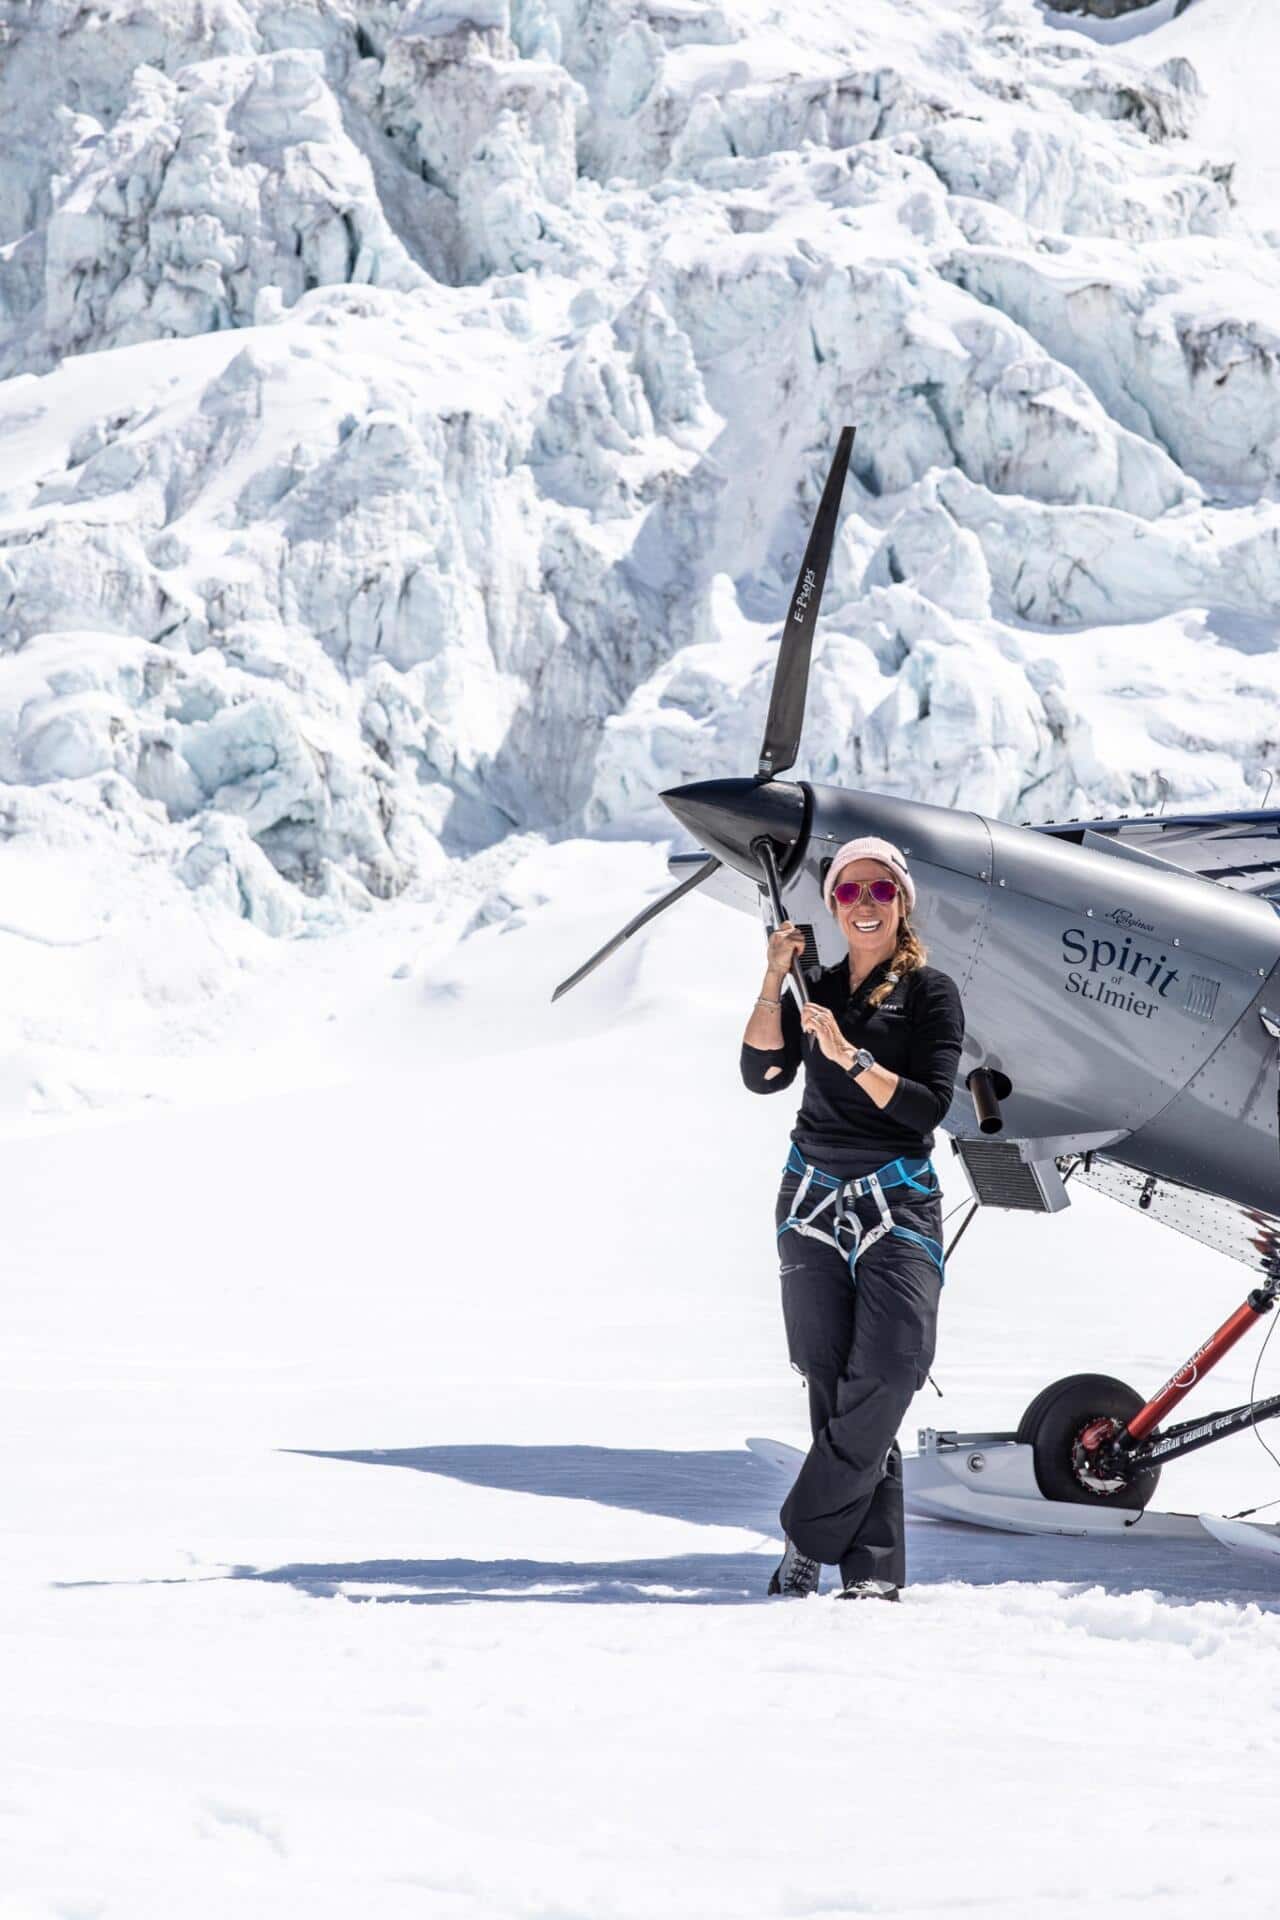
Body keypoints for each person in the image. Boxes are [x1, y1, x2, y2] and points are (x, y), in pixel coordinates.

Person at [740, 836, 965, 1601]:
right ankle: (870, 1574)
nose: (863, 905)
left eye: (878, 892)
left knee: (894, 1367)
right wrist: (776, 979)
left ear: (902, 903)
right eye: (847, 893)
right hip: (810, 1197)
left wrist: (852, 1058)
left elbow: (929, 1104)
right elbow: (762, 1073)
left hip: (897, 1199)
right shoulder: (817, 986)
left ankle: (807, 1536)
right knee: (832, 1381)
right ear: (832, 906)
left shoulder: (932, 994)